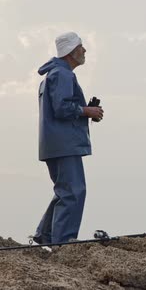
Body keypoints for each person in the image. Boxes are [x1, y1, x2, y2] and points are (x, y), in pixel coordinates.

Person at [32, 32, 104, 244]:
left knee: (65, 191)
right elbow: (62, 108)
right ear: (71, 51)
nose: (84, 50)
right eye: (81, 47)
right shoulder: (63, 75)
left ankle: (44, 235)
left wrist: (84, 111)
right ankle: (63, 242)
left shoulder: (53, 75)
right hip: (64, 145)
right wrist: (86, 111)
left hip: (53, 144)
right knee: (74, 192)